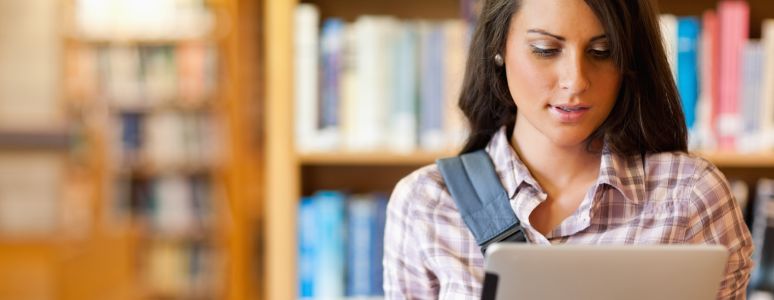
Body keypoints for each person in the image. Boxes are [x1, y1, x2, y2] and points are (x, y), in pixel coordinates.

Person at [382, 0, 753, 299]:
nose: (575, 81)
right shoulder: (426, 203)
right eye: (545, 50)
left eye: (602, 51)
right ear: (498, 48)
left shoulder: (689, 196)